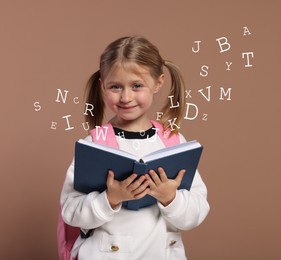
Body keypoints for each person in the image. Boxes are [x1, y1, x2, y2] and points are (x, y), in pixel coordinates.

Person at [60, 35, 210, 260]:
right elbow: (70, 212)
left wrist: (171, 197)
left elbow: (197, 212)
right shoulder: (95, 144)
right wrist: (110, 198)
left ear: (158, 83)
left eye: (137, 85)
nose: (126, 97)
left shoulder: (173, 142)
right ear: (102, 85)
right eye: (115, 87)